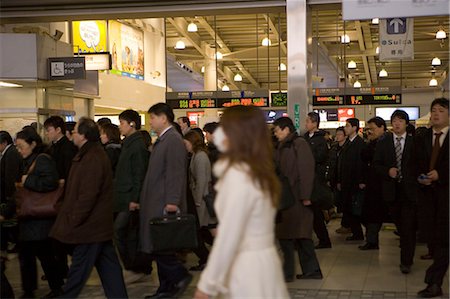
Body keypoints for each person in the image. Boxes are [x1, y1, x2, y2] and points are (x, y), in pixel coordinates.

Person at [194, 106, 288, 299]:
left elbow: (229, 237)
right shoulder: (258, 170)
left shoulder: (238, 175)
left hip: (246, 268)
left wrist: (206, 285)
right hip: (265, 262)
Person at [49, 117, 128, 298]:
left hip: (89, 227)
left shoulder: (92, 157)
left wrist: (74, 219)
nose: (73, 134)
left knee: (77, 274)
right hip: (97, 226)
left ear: (83, 135)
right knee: (110, 270)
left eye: (76, 131)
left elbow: (88, 195)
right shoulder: (89, 154)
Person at [140, 103, 192, 299]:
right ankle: (166, 288)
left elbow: (175, 173)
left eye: (153, 117)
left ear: (164, 118)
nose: (150, 122)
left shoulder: (172, 140)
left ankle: (179, 277)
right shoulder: (164, 140)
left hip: (163, 202)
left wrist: (172, 201)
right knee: (160, 246)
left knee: (161, 247)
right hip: (156, 200)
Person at [15, 127, 64, 298]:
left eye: (22, 146)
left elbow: (51, 182)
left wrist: (28, 180)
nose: (19, 150)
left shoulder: (42, 159)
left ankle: (55, 288)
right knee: (30, 255)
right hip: (30, 217)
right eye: (17, 147)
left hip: (40, 218)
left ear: (33, 144)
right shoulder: (27, 160)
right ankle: (32, 290)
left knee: (44, 255)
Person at [273, 117, 322, 282]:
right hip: (286, 197)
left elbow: (307, 170)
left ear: (286, 129)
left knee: (300, 235)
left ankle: (302, 271)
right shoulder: (283, 145)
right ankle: (307, 270)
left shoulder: (298, 144)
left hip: (298, 198)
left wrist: (306, 196)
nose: (275, 133)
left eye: (277, 130)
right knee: (295, 235)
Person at [373, 110, 418, 274]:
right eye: (394, 120)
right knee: (400, 224)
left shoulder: (415, 142)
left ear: (406, 123)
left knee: (407, 227)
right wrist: (387, 171)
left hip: (409, 191)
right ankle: (406, 248)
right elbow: (376, 165)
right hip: (391, 192)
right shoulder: (384, 143)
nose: (397, 123)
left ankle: (406, 261)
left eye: (400, 120)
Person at [415, 98, 449, 298]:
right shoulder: (423, 137)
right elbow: (414, 162)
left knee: (444, 242)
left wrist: (441, 175)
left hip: (447, 198)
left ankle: (434, 282)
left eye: (441, 110)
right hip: (428, 199)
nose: (436, 114)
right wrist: (420, 177)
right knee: (436, 241)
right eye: (433, 110)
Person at [114, 109, 149, 279]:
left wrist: (135, 198)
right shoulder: (128, 143)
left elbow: (139, 174)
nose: (119, 126)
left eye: (122, 123)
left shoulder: (137, 145)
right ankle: (134, 267)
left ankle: (134, 267)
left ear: (132, 124)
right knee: (125, 232)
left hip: (130, 197)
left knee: (122, 231)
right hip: (124, 196)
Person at [183, 131, 212, 271]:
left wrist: (198, 200)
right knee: (202, 230)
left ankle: (207, 258)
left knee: (201, 230)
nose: (185, 146)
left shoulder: (200, 157)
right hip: (198, 198)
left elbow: (202, 180)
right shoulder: (195, 155)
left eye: (186, 143)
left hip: (201, 199)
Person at [303, 112, 332, 249]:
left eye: (308, 121)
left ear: (315, 123)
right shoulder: (304, 138)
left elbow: (320, 157)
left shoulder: (320, 140)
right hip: (305, 179)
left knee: (315, 211)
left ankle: (324, 239)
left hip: (315, 180)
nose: (306, 124)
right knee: (309, 212)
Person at [359, 117, 388, 250]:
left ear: (382, 127)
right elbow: (364, 156)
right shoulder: (372, 142)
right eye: (369, 129)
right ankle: (371, 240)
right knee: (369, 213)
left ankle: (372, 240)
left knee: (375, 214)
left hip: (382, 183)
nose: (370, 132)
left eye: (373, 129)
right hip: (371, 183)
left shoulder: (386, 142)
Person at [0, 131, 22, 299]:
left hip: (9, 199)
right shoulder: (10, 153)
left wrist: (8, 200)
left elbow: (9, 178)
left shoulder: (11, 154)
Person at [337, 118, 366, 241]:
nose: (345, 128)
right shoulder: (348, 143)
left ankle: (359, 233)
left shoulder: (360, 143)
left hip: (356, 182)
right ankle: (356, 233)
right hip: (346, 181)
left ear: (354, 128)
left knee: (356, 208)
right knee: (349, 208)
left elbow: (362, 164)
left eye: (348, 126)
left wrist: (362, 181)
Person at [327, 127, 349, 233]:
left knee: (344, 202)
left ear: (345, 136)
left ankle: (347, 225)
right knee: (337, 200)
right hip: (334, 177)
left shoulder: (348, 147)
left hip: (343, 178)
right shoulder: (334, 147)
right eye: (337, 134)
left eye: (340, 134)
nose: (338, 136)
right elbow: (331, 163)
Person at [44, 116, 78, 181]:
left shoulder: (68, 147)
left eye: (48, 130)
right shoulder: (51, 146)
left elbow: (69, 170)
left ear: (58, 130)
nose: (46, 133)